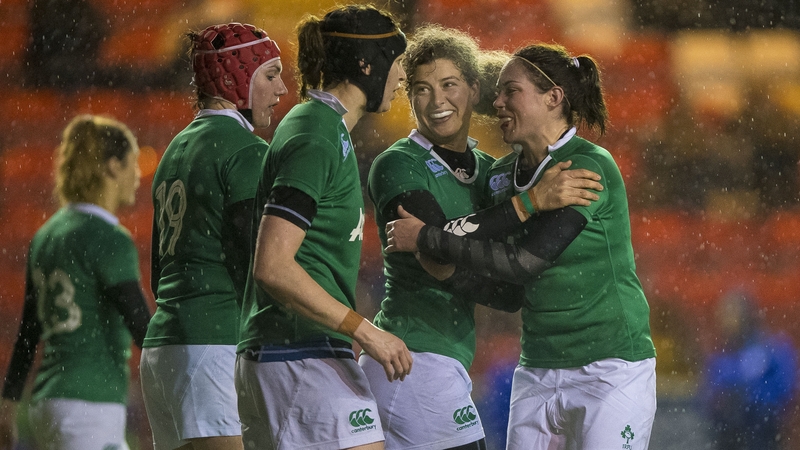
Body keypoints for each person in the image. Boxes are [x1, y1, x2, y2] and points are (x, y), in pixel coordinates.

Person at [385, 43, 657, 450]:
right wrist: (452, 273)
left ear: (553, 98)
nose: (497, 102)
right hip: (537, 368)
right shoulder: (499, 176)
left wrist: (424, 237)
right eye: (497, 92)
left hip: (610, 366)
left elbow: (523, 263)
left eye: (510, 91)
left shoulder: (586, 166)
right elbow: (509, 293)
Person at [234, 5, 411, 450]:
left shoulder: (326, 128)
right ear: (366, 65)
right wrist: (365, 331)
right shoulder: (315, 132)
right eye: (397, 61)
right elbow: (273, 265)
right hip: (296, 352)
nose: (402, 76)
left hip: (299, 351)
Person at [139, 23, 287, 450]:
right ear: (235, 79)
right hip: (214, 341)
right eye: (271, 75)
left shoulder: (174, 149)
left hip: (162, 346)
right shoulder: (246, 150)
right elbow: (257, 264)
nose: (281, 90)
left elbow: (158, 271)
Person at [0, 114, 150, 450]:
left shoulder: (46, 235)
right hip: (90, 403)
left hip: (48, 400)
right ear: (113, 167)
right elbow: (142, 327)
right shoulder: (110, 239)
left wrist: (8, 401)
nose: (138, 175)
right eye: (133, 164)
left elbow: (28, 331)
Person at [701, 289, 797, 450]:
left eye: (733, 314)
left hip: (763, 433)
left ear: (747, 316)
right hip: (728, 436)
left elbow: (785, 388)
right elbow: (708, 395)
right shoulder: (720, 358)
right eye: (725, 315)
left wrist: (750, 398)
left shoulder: (774, 349)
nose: (727, 321)